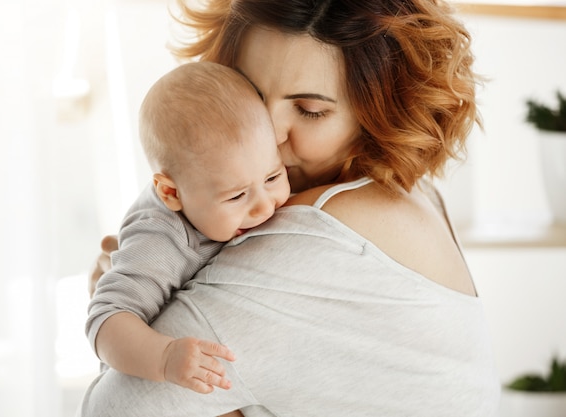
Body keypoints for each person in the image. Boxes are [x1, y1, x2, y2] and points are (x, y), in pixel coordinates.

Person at [80, 0, 501, 415]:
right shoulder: (414, 194)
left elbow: (113, 409)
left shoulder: (315, 235)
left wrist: (125, 307)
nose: (269, 131)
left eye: (309, 110)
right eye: (251, 92)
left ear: (377, 115)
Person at [87, 61, 290, 397]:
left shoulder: (218, 184)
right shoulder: (160, 238)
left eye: (273, 177)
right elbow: (105, 321)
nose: (265, 206)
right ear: (171, 193)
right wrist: (164, 356)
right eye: (237, 195)